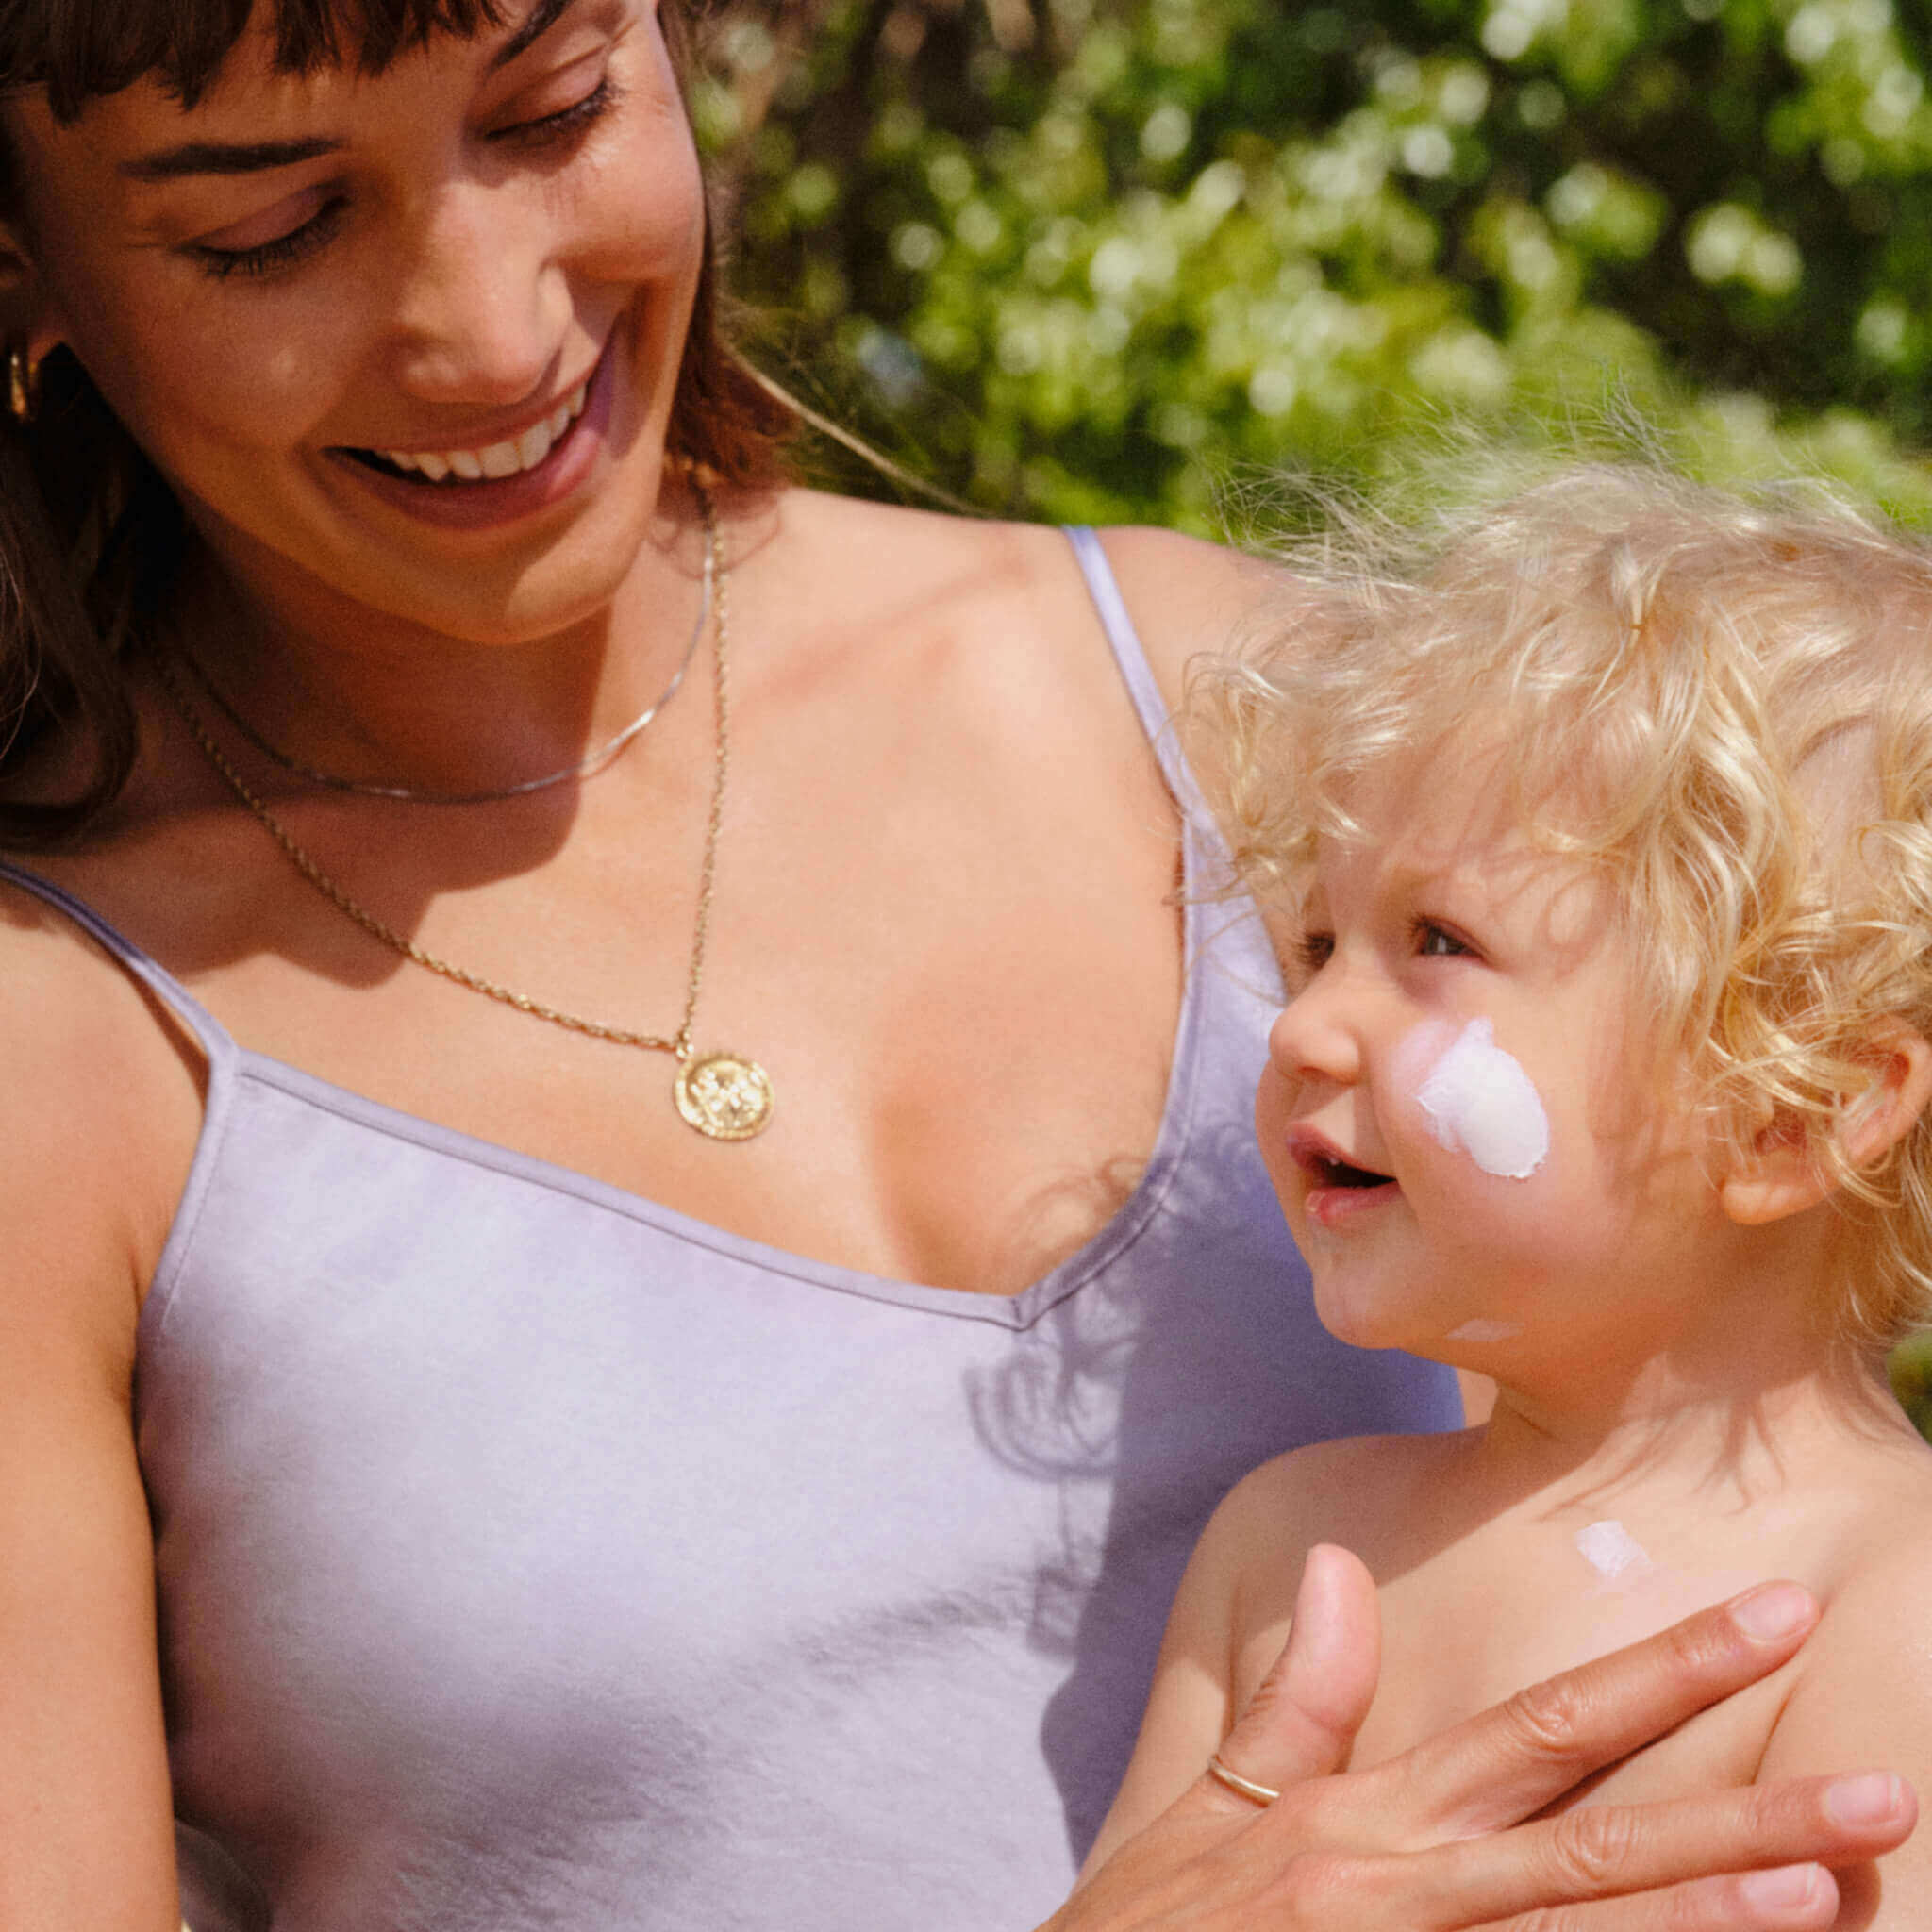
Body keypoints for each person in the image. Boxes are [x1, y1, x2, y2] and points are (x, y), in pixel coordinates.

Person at [0, 2, 1907, 1924]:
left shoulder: (1267, 715)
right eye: (268, 230)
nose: (493, 329)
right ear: (24, 258)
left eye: (553, 109)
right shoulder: (57, 1049)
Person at [1087, 464, 1932, 1924]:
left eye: (1435, 942)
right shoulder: (1289, 1545)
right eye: (1311, 943)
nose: (1301, 1028)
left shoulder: (1886, 1606)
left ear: (1795, 1116)